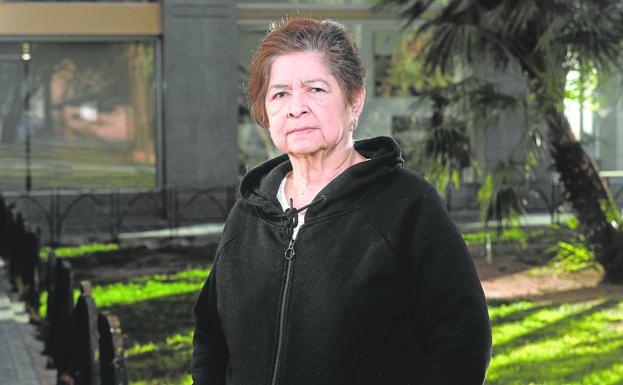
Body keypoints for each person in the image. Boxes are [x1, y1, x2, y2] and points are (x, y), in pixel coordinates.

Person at [192, 18, 492, 385]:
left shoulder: (407, 205)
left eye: (316, 89)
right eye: (280, 93)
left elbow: (462, 342)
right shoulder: (249, 213)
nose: (296, 108)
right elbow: (210, 338)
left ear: (355, 101)